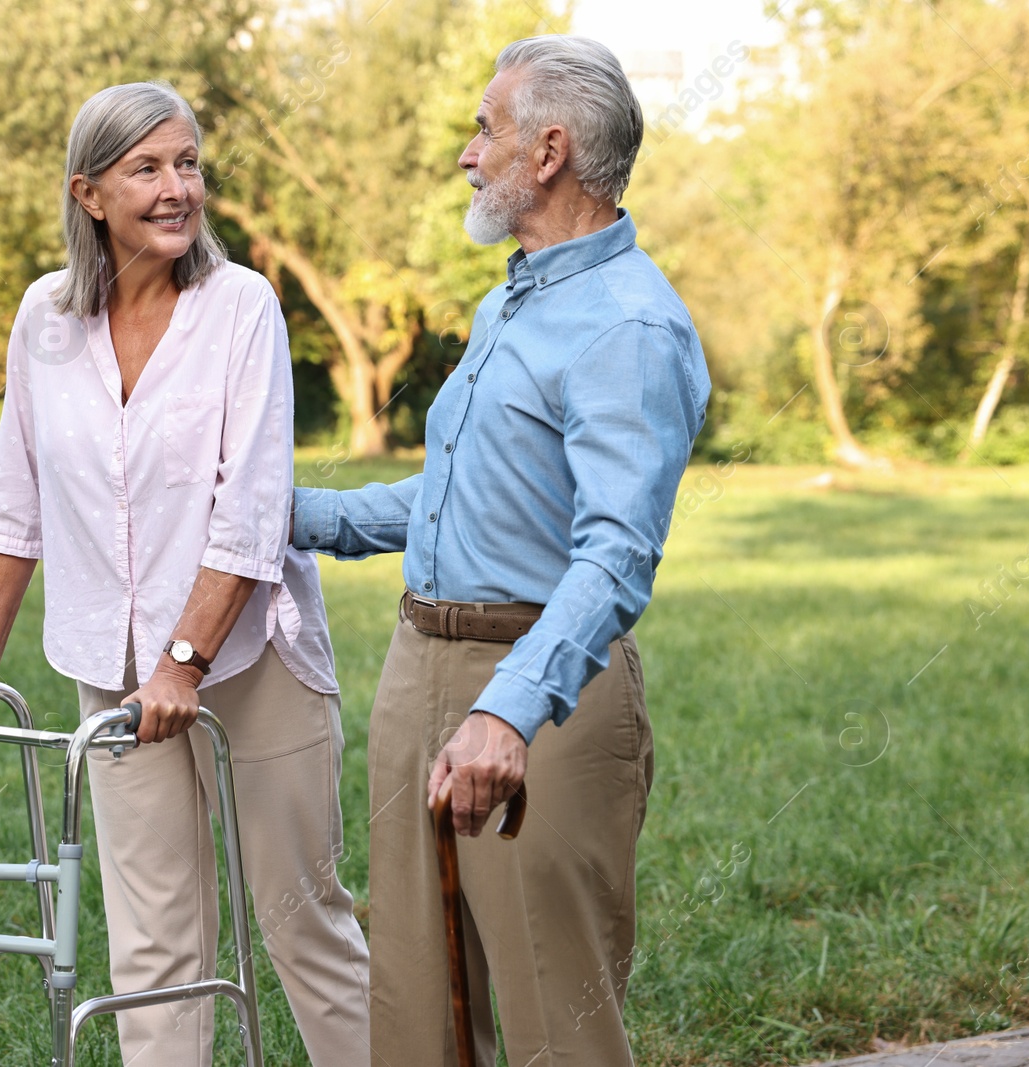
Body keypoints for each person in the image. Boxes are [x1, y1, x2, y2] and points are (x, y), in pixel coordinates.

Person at [0, 81, 370, 1067]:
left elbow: (249, 508)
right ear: (88, 193)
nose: (178, 189)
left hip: (251, 663)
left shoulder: (240, 306)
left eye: (189, 164)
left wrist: (182, 662)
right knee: (153, 940)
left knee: (302, 921)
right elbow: (19, 492)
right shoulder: (45, 316)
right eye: (148, 168)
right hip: (108, 662)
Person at [292, 36, 711, 1067]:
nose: (468, 155)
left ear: (551, 149)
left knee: (549, 1015)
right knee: (418, 1008)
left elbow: (614, 554)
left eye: (485, 129)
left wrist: (503, 710)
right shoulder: (509, 300)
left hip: (539, 696)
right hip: (418, 669)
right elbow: (460, 501)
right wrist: (282, 514)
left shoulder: (627, 326)